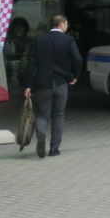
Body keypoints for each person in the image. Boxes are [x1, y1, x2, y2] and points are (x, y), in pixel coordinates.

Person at [21, 14, 82, 159]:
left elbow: (31, 64)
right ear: (62, 24)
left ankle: (41, 135)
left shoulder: (39, 40)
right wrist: (75, 75)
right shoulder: (68, 40)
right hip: (61, 83)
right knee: (58, 116)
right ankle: (54, 149)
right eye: (66, 24)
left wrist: (28, 85)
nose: (67, 26)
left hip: (42, 84)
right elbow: (77, 58)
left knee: (42, 115)